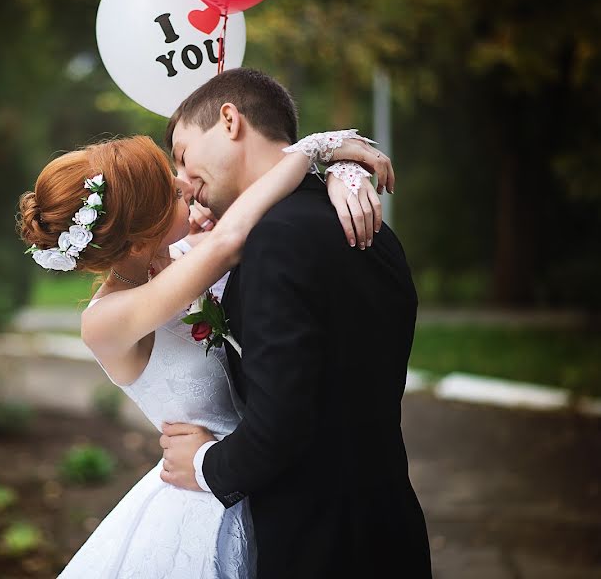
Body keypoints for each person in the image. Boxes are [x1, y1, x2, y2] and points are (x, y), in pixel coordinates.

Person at [17, 106, 393, 576]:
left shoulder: (179, 255)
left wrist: (339, 174)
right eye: (170, 192)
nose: (184, 184)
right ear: (136, 244)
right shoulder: (108, 320)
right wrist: (315, 147)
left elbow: (260, 213)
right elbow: (232, 239)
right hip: (204, 497)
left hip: (259, 476)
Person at [159, 68, 432, 578]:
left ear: (229, 120)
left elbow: (282, 424)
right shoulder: (371, 226)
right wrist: (333, 163)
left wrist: (203, 465)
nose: (182, 179)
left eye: (182, 154)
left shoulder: (273, 242)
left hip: (319, 545)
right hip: (393, 525)